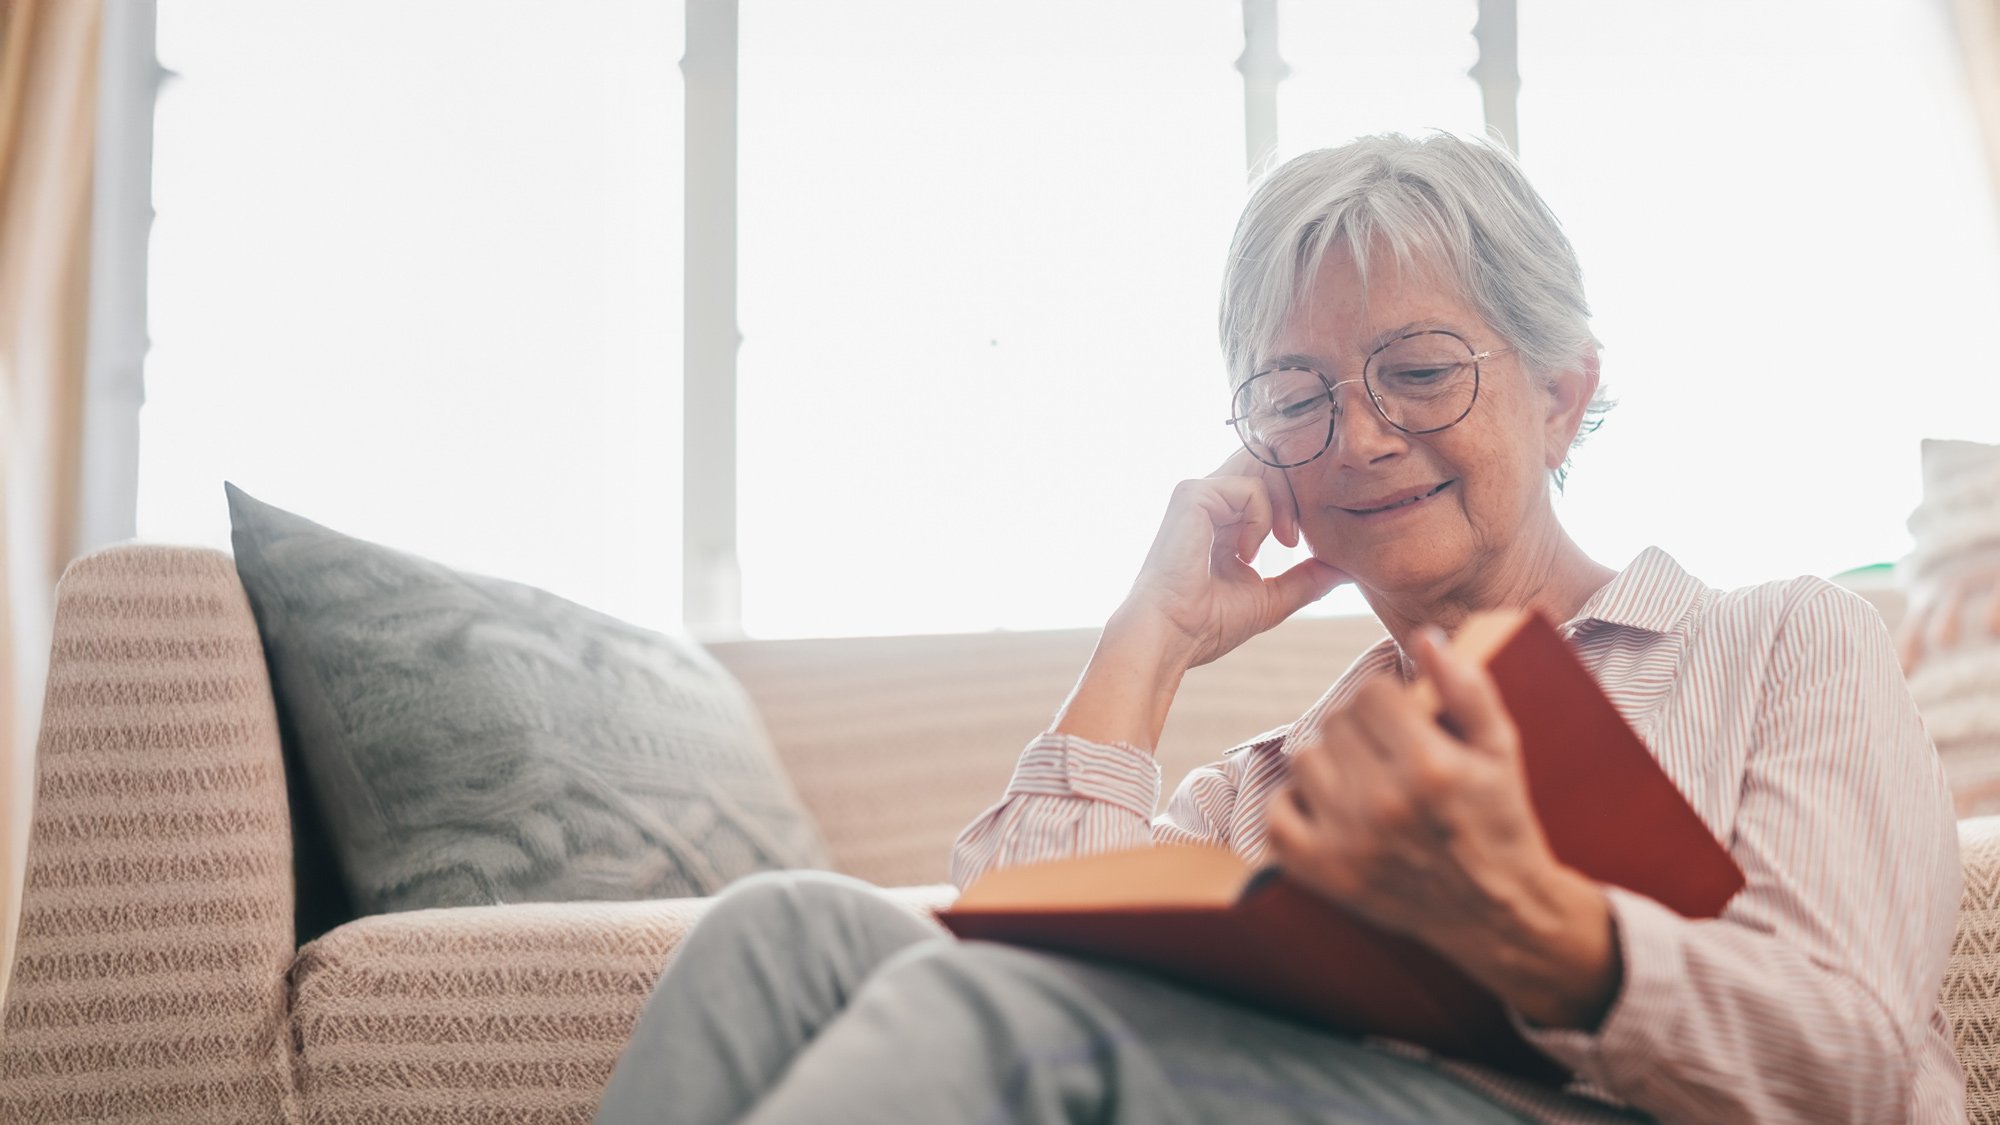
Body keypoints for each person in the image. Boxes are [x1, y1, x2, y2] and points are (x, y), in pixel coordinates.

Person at [594, 133, 1964, 1124]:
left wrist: (1548, 932)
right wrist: (1150, 637)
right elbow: (1007, 946)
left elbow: (1845, 1065)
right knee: (782, 937)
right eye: (1295, 396)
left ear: (1562, 396)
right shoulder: (1266, 788)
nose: (1360, 435)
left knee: (994, 1026)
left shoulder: (1784, 645)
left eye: (1420, 371)